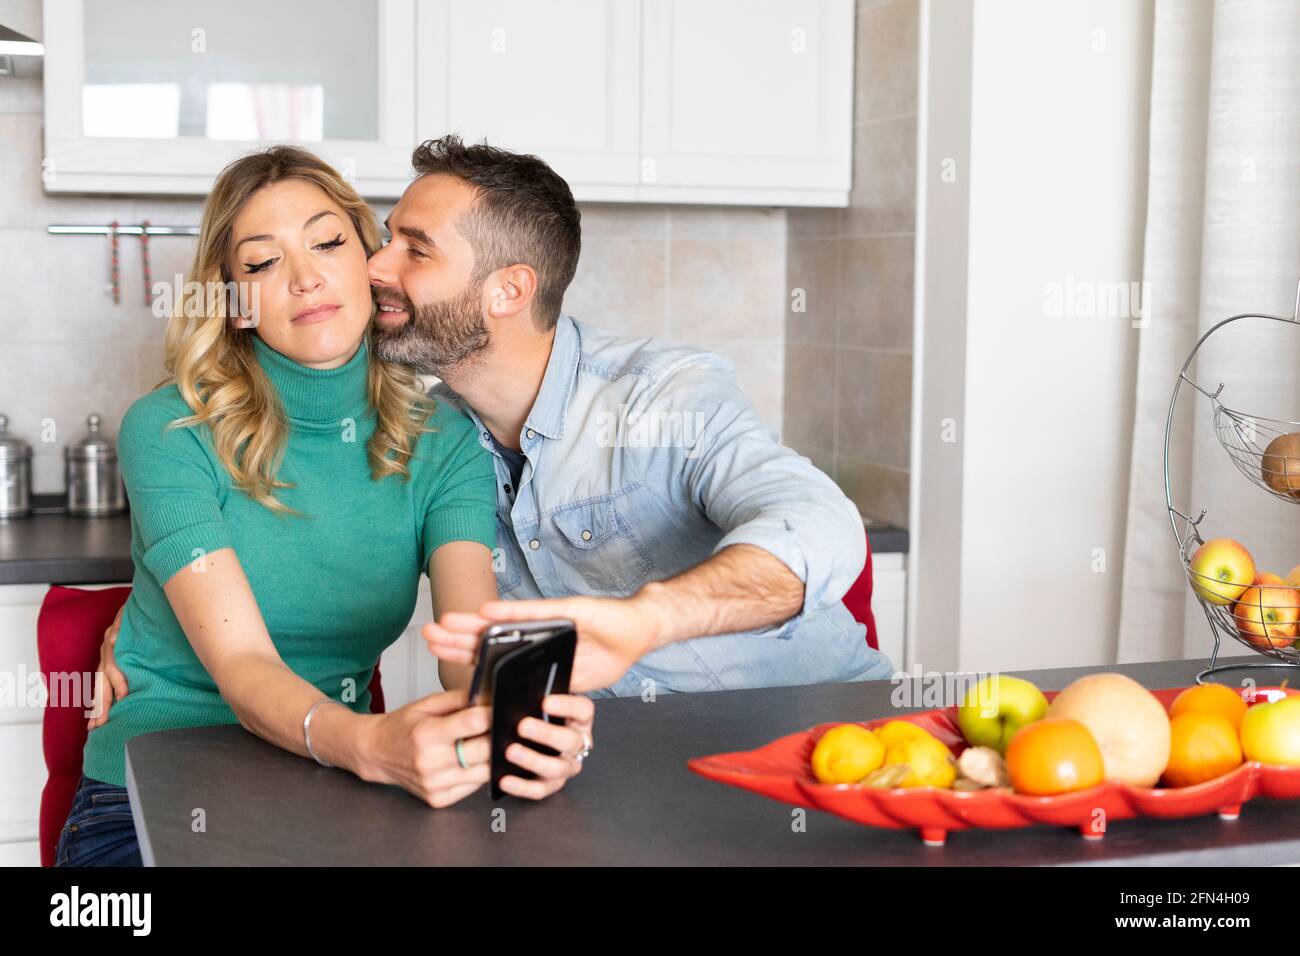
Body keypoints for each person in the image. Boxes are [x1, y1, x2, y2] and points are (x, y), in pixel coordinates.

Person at [61, 147, 593, 868]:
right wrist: (371, 744)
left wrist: (520, 726)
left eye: (326, 241)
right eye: (260, 263)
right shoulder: (169, 430)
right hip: (155, 783)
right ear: (231, 298)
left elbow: (470, 648)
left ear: (371, 260)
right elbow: (243, 665)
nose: (305, 277)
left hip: (335, 781)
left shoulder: (443, 443)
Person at [368, 135, 894, 697]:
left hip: (809, 730)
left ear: (509, 291)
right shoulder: (432, 436)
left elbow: (820, 523)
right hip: (621, 759)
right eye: (385, 240)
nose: (374, 266)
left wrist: (647, 620)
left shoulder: (662, 396)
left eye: (415, 250)